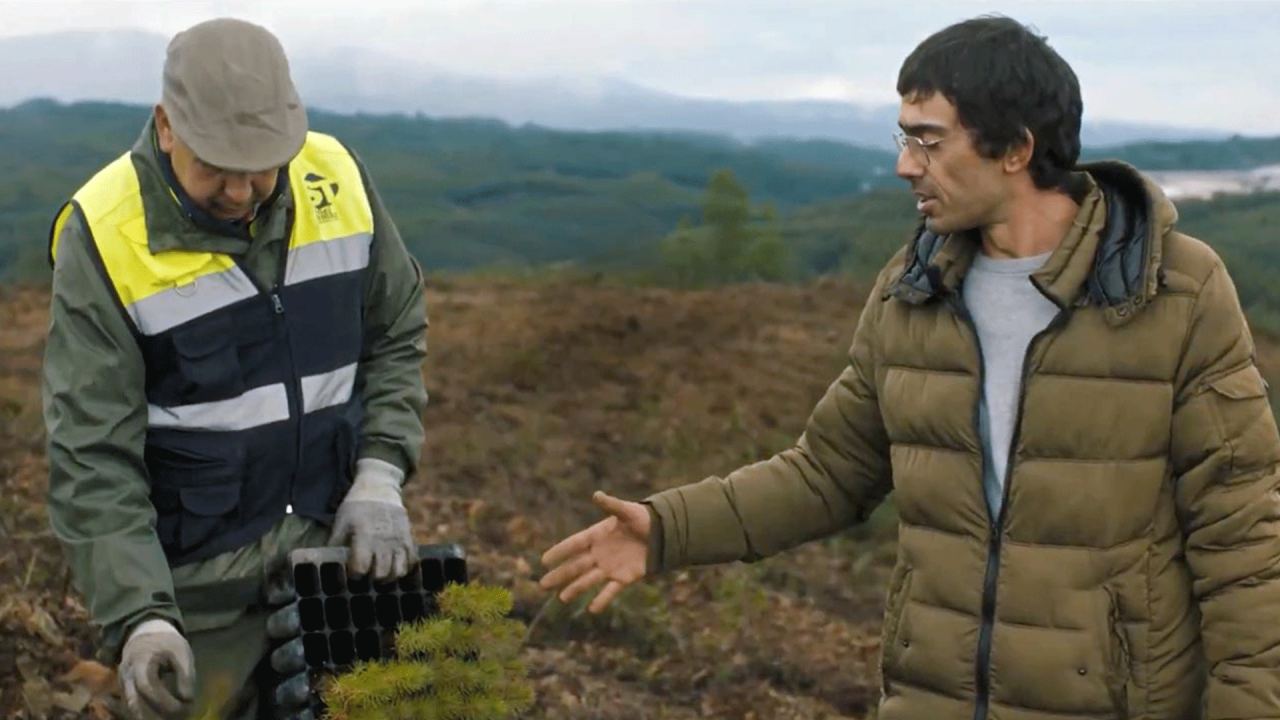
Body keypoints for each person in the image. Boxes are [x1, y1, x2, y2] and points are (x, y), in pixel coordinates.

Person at [540, 14, 1280, 720]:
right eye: (904, 138)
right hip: (932, 699)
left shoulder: (1174, 289)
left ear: (1015, 149)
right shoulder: (914, 287)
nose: (904, 165)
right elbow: (829, 472)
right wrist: (669, 529)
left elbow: (1244, 537)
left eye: (928, 141)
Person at [41, 17, 429, 720]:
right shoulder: (101, 235)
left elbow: (396, 332)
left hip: (331, 565)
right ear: (166, 127)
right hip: (195, 596)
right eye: (216, 166)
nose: (243, 190)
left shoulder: (338, 178)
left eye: (261, 166)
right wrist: (142, 617)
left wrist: (380, 474)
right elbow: (92, 456)